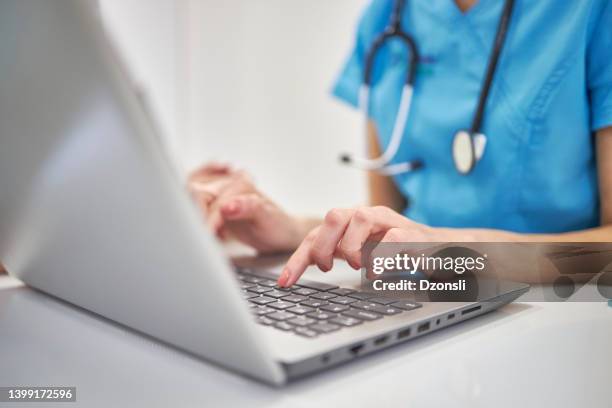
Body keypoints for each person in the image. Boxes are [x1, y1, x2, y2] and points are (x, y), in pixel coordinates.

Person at [189, 0, 612, 287]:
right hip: (421, 302)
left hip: (559, 311)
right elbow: (395, 225)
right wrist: (295, 232)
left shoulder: (591, 12)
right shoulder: (388, 15)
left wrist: (458, 254)